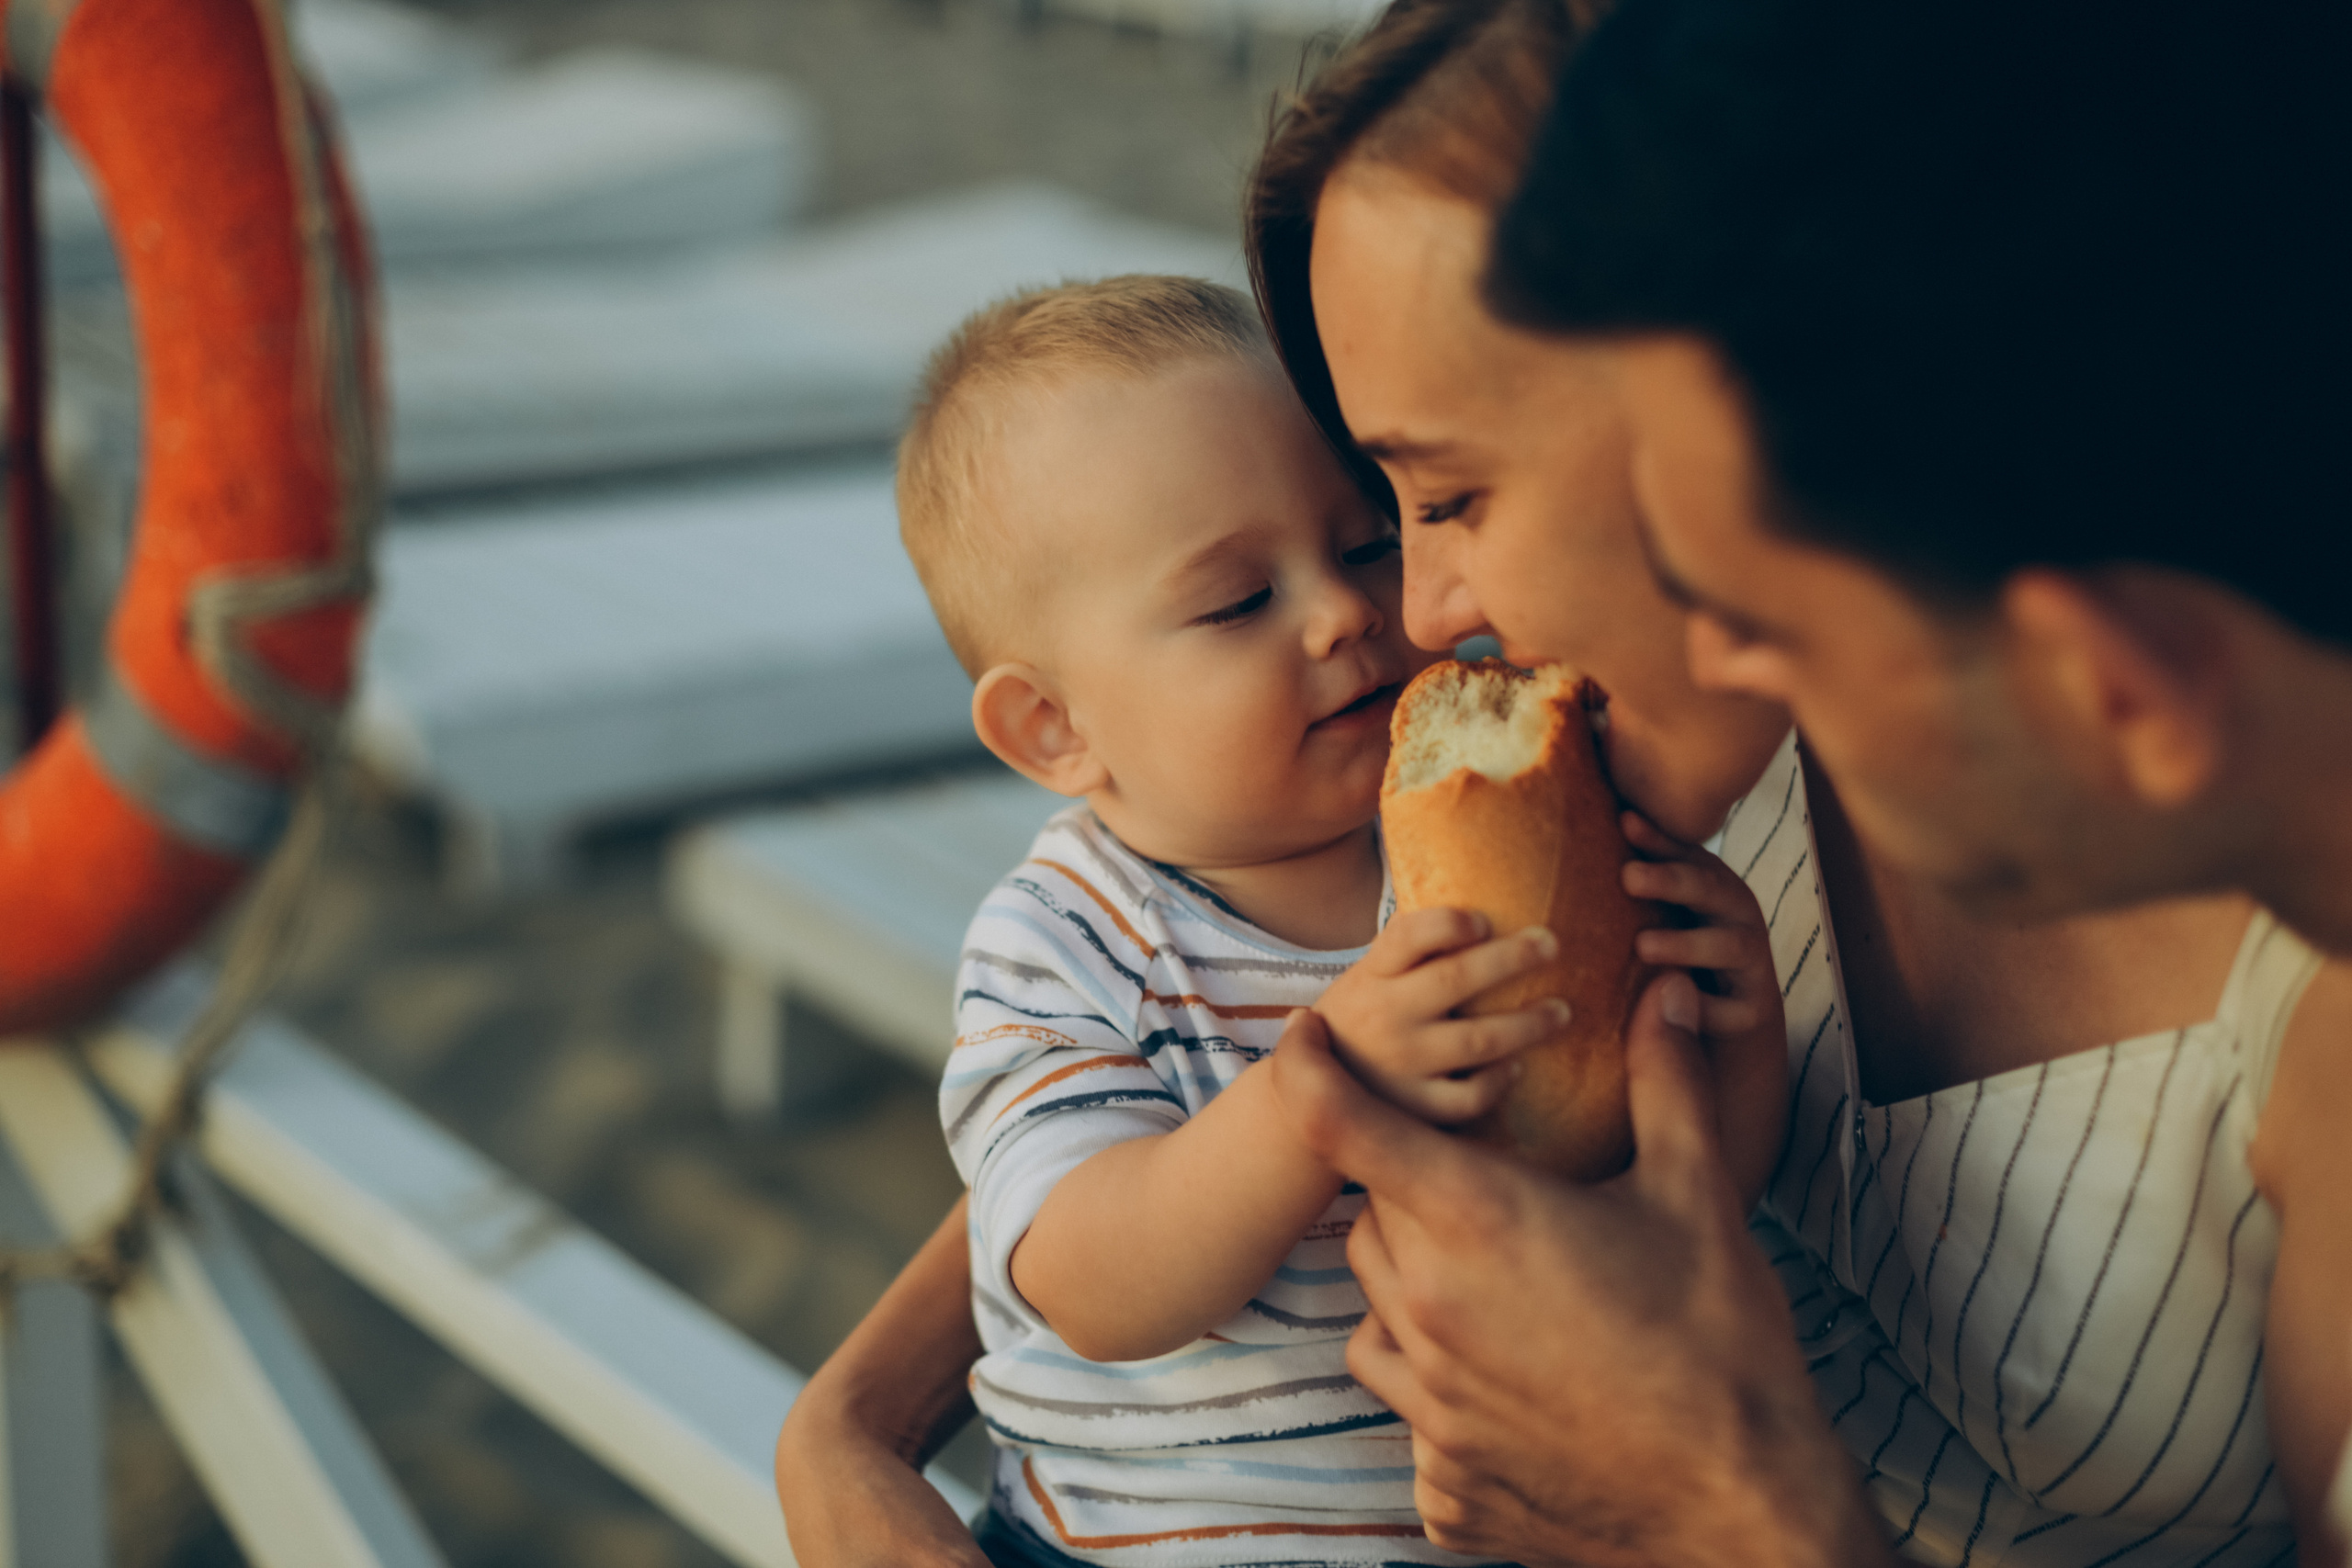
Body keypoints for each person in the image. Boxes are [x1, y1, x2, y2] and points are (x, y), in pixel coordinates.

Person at [774, 2, 2352, 1563]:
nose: (1406, 618)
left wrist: (1721, 1511)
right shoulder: (1615, 752)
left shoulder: (1894, 701)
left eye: (1434, 500)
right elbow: (1159, 1079)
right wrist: (852, 1413)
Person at [888, 274, 1783, 1565]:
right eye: (1239, 601)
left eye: (1366, 541)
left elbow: (1664, 1214)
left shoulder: (1511, 843)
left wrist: (1734, 1032)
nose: (1344, 612)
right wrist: (1315, 1098)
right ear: (1056, 728)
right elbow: (1091, 1285)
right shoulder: (1067, 940)